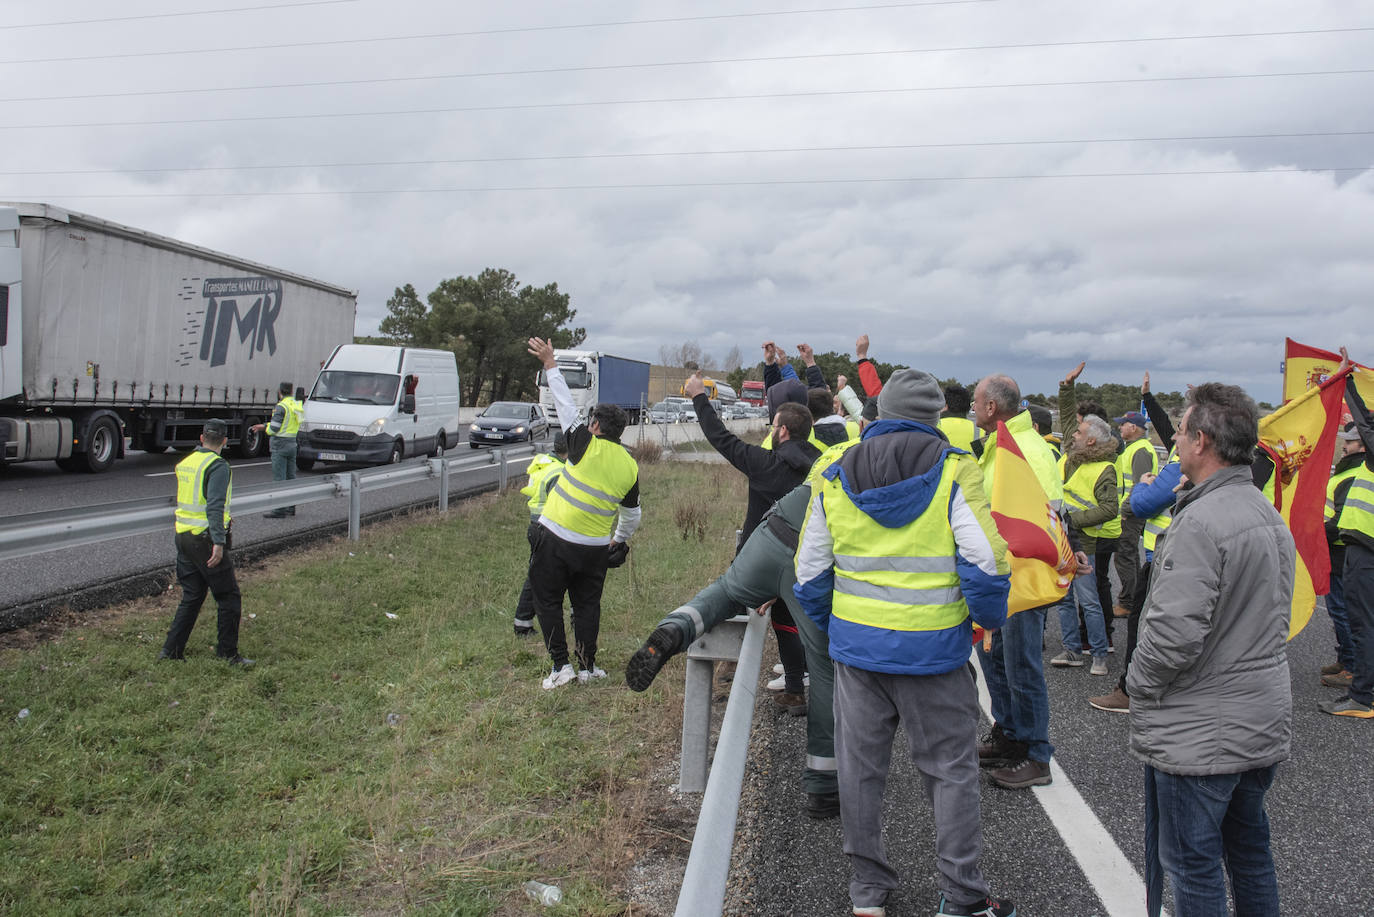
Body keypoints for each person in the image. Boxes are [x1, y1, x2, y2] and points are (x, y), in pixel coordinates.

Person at [793, 368, 1017, 917]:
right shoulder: (954, 472)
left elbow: (808, 574)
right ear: (936, 418)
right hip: (935, 655)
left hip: (858, 656)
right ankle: (962, 896)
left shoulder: (834, 472)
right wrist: (984, 623)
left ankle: (867, 892)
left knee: (861, 772)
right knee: (949, 772)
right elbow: (986, 565)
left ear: (878, 413)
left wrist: (838, 628)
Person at [1127, 383, 1294, 917]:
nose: (1173, 442)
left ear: (1201, 441)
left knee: (1193, 864)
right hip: (1258, 715)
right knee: (1249, 853)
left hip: (1202, 727)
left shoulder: (1199, 521)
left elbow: (1173, 634)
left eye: (1178, 433)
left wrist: (1139, 684)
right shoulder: (1265, 512)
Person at [627, 441, 860, 819]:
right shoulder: (889, 461)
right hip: (812, 557)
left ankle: (676, 627)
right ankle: (823, 785)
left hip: (771, 532)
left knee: (725, 592)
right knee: (825, 671)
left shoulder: (840, 450)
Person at [687, 370, 821, 711]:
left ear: (783, 431)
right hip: (811, 559)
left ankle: (722, 664)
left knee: (730, 600)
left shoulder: (768, 465)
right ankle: (799, 686)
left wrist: (698, 397)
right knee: (794, 622)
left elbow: (722, 440)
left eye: (772, 427)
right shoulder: (821, 465)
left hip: (761, 562)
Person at [526, 337, 641, 689]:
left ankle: (561, 667)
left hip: (556, 538)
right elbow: (632, 515)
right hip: (594, 549)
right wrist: (618, 541)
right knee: (587, 606)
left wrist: (550, 363)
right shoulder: (629, 465)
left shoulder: (583, 445)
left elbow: (563, 404)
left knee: (547, 601)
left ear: (595, 426)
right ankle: (588, 667)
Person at [971, 374, 1066, 789]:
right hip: (998, 574)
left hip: (1022, 580)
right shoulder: (999, 443)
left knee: (1021, 666)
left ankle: (1036, 753)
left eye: (976, 402)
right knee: (994, 659)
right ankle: (1009, 734)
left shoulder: (1029, 449)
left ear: (992, 407)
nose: (972, 409)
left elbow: (1048, 516)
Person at [160, 419, 252, 666]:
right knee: (229, 597)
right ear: (225, 441)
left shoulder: (186, 463)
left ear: (201, 438)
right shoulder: (218, 466)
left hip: (183, 537)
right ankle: (228, 655)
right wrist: (219, 543)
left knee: (192, 596)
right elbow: (214, 506)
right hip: (206, 540)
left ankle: (171, 651)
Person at [1324, 349, 1374, 717]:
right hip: (1362, 548)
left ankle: (1363, 696)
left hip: (1365, 550)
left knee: (1363, 623)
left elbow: (1366, 422)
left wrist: (1347, 381)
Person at [1051, 415, 1120, 676]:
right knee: (1064, 599)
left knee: (1089, 601)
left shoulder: (1104, 468)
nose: (1073, 435)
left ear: (1090, 440)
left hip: (1084, 543)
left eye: (1079, 433)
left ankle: (1099, 655)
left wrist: (1071, 521)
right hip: (1063, 539)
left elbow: (1110, 508)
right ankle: (1072, 651)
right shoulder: (1069, 461)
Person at [1320, 422, 1365, 686]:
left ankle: (1352, 666)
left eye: (1349, 441)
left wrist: (1317, 533)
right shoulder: (1349, 471)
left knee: (1342, 610)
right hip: (1338, 550)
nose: (1344, 445)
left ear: (1362, 445)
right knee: (1340, 609)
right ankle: (1345, 657)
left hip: (1341, 550)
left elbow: (1341, 519)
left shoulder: (1353, 474)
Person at [513, 432, 568, 637]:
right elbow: (562, 506)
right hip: (550, 529)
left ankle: (523, 622)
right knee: (543, 578)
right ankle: (523, 624)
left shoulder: (543, 464)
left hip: (536, 525)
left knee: (536, 575)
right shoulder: (559, 473)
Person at [1112, 410, 1159, 618]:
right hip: (1128, 511)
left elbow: (1141, 484)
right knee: (1126, 556)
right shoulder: (1134, 448)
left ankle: (1128, 602)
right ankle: (1131, 599)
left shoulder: (1140, 450)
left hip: (1130, 514)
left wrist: (1125, 511)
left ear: (1133, 427)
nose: (1120, 427)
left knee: (1126, 556)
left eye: (1123, 424)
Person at [253, 381, 304, 518]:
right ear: (291, 391)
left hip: (279, 445)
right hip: (292, 443)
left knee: (279, 479)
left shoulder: (281, 406)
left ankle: (279, 510)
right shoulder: (295, 404)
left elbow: (274, 428)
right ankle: (290, 508)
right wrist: (263, 425)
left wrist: (266, 430)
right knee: (290, 478)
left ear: (280, 391)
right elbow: (288, 424)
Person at [938, 383, 978, 453]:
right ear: (968, 407)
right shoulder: (979, 429)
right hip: (972, 464)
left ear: (946, 406)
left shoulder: (936, 426)